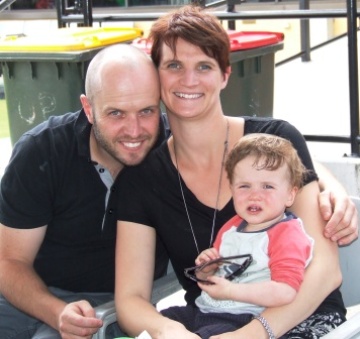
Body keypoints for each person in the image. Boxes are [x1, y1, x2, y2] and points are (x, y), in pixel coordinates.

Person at [115, 5, 358, 339]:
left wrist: (251, 335)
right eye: (173, 65)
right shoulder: (142, 178)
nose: (189, 80)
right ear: (156, 75)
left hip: (301, 320)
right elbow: (130, 300)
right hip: (211, 322)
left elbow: (327, 272)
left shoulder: (278, 141)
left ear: (225, 75)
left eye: (204, 66)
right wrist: (169, 331)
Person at [0, 44, 169, 339]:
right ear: (88, 109)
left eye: (146, 111)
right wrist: (56, 312)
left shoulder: (173, 156)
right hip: (34, 292)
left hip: (117, 304)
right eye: (116, 113)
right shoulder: (42, 151)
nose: (134, 130)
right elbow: (9, 261)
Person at [162, 133, 315, 338]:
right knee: (160, 323)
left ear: (290, 194)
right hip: (204, 310)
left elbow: (285, 291)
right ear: (232, 189)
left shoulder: (287, 234)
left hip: (244, 320)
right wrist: (206, 270)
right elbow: (220, 274)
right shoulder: (232, 227)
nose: (254, 195)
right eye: (244, 186)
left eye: (267, 186)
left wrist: (229, 292)